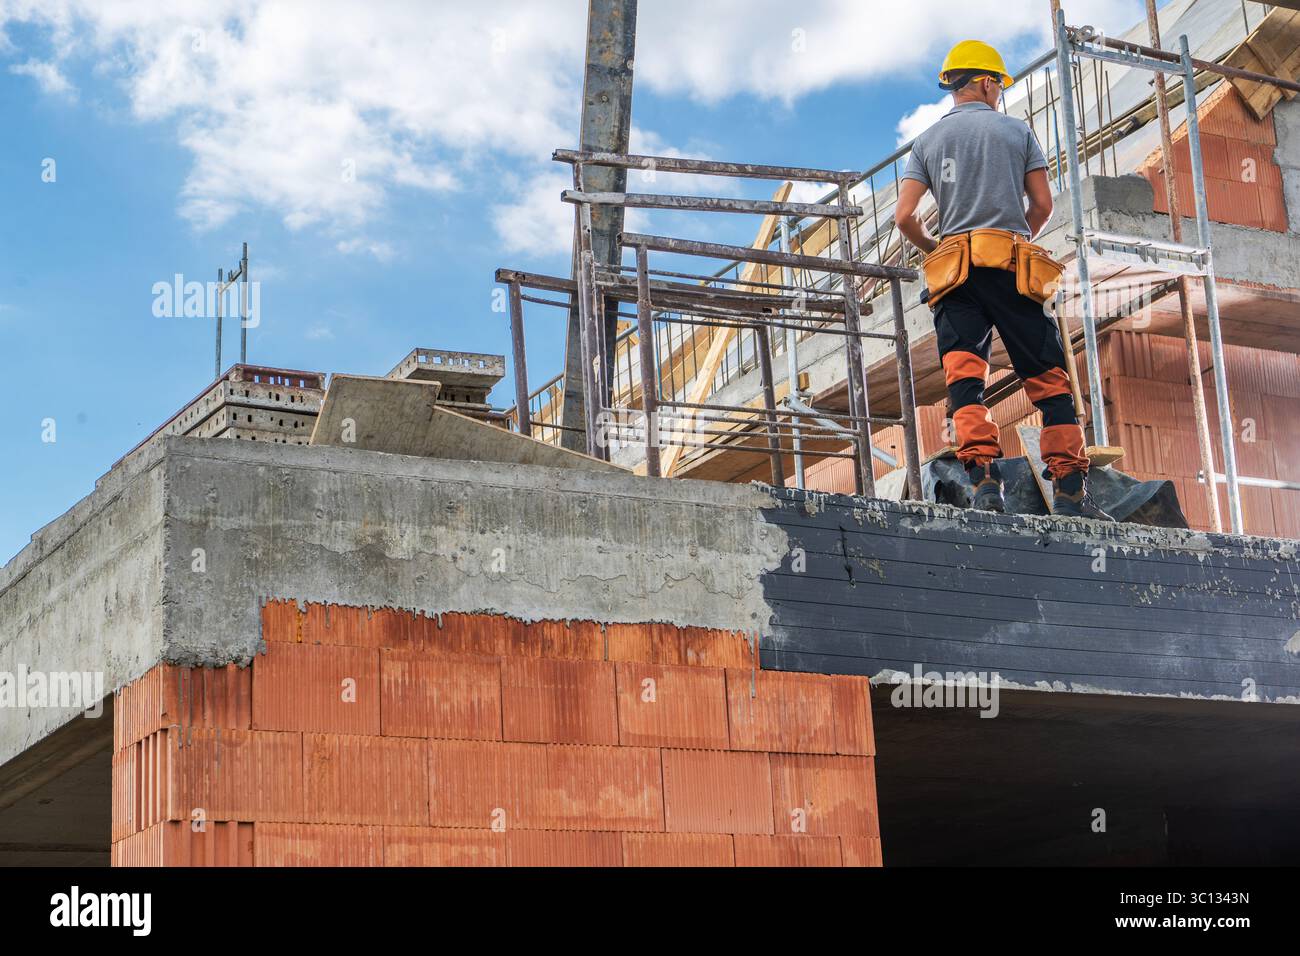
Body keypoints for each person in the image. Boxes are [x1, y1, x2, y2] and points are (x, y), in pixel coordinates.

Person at [894, 40, 1112, 520]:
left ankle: (986, 487)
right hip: (1013, 272)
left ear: (952, 84)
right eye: (998, 86)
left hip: (956, 279)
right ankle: (1072, 493)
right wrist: (1014, 239)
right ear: (988, 81)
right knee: (1048, 379)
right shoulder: (1017, 133)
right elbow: (1042, 207)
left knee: (966, 382)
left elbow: (905, 218)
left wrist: (941, 249)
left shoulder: (927, 143)